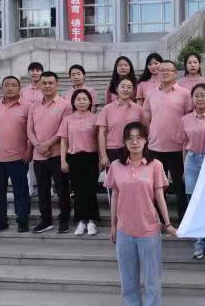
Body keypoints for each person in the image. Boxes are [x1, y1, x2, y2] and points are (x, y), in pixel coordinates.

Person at [106, 121, 176, 306]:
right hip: (125, 231)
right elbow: (115, 196)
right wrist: (113, 224)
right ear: (125, 142)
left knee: (152, 281)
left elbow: (159, 196)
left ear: (146, 140)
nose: (134, 142)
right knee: (128, 281)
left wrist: (167, 223)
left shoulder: (155, 165)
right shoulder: (116, 166)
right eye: (130, 138)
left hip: (148, 230)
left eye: (139, 137)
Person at [141, 60, 192, 224]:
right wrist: (150, 133)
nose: (164, 73)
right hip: (156, 147)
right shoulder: (151, 93)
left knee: (180, 187)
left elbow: (189, 117)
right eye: (161, 70)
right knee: (156, 187)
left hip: (177, 147)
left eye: (168, 70)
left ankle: (183, 221)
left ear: (175, 73)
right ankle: (160, 222)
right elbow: (146, 115)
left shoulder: (185, 94)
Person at [0, 76, 32, 234]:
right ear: (2, 88)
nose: (10, 88)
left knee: (21, 191)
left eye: (13, 85)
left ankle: (22, 220)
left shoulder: (28, 107)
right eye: (6, 85)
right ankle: (0, 221)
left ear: (19, 88)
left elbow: (32, 130)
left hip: (18, 157)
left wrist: (30, 149)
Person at [27, 71, 73, 233]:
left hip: (58, 155)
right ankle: (46, 220)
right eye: (44, 83)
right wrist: (38, 146)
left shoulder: (65, 105)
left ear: (57, 84)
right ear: (39, 85)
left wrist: (47, 144)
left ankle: (64, 220)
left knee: (62, 190)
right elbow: (29, 130)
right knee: (42, 190)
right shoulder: (34, 106)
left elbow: (64, 130)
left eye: (50, 83)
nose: (47, 86)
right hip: (39, 156)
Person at [181, 84, 205, 259]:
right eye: (196, 95)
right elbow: (184, 144)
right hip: (191, 160)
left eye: (203, 95)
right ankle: (199, 242)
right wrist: (184, 167)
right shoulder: (185, 119)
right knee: (194, 203)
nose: (199, 98)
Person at [59, 89, 101, 237]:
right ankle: (81, 221)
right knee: (78, 191)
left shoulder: (96, 118)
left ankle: (91, 221)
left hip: (91, 158)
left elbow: (100, 140)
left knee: (90, 190)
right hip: (74, 158)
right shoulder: (68, 119)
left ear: (90, 102)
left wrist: (101, 158)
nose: (82, 102)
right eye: (78, 99)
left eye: (84, 99)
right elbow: (64, 141)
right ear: (73, 102)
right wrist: (63, 160)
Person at [97, 78, 143, 170]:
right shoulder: (107, 109)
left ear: (133, 90)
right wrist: (103, 156)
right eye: (123, 86)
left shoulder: (139, 109)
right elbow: (101, 133)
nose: (126, 89)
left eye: (129, 87)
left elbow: (143, 132)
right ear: (117, 89)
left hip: (134, 149)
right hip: (113, 150)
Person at [22, 62, 43, 197]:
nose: (35, 73)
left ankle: (46, 187)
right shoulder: (23, 91)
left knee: (44, 158)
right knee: (28, 158)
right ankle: (30, 186)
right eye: (32, 70)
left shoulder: (46, 88)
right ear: (29, 73)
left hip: (42, 126)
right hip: (26, 126)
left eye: (38, 70)